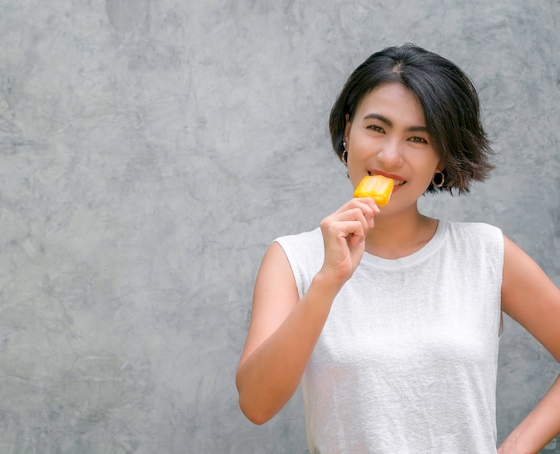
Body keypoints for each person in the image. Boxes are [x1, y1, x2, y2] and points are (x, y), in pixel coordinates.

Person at [235, 44, 560, 453]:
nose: (390, 155)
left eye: (418, 138)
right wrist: (328, 281)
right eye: (376, 128)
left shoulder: (485, 253)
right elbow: (256, 405)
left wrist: (515, 449)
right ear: (348, 131)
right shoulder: (292, 260)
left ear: (441, 158)